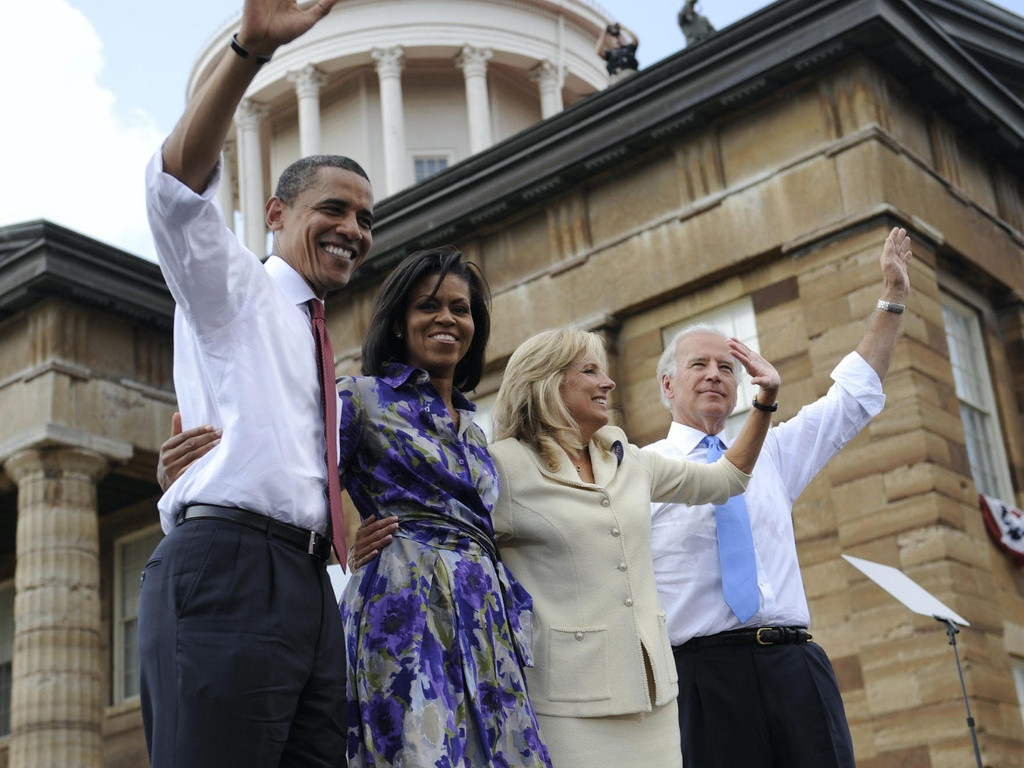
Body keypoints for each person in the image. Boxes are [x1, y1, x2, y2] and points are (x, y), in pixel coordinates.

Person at [138, 0, 364, 765]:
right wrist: (249, 50)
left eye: (367, 219)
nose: (354, 230)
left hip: (309, 584)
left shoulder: (325, 350)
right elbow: (174, 189)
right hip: (230, 567)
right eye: (332, 209)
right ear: (274, 213)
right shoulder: (234, 287)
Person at [647, 227, 913, 768]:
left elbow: (853, 398)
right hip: (703, 678)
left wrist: (892, 300)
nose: (716, 375)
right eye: (699, 364)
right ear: (668, 386)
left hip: (794, 667)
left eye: (727, 366)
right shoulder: (639, 469)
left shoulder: (773, 450)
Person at [483, 327, 779, 768]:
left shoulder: (627, 458)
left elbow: (726, 481)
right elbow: (439, 533)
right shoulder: (502, 465)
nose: (608, 382)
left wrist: (764, 401)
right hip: (566, 706)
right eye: (589, 371)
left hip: (654, 697)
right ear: (547, 382)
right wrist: (369, 541)